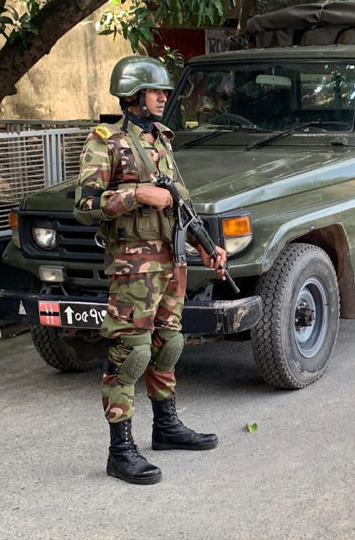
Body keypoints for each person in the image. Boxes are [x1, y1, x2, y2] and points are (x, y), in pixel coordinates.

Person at [75, 56, 228, 485]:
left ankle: (166, 426)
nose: (164, 97)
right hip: (133, 269)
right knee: (131, 353)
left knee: (168, 345)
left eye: (163, 91)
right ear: (133, 95)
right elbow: (85, 205)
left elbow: (180, 206)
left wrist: (206, 247)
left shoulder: (161, 139)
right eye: (155, 91)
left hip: (170, 263)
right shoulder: (105, 141)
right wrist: (136, 194)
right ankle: (120, 450)